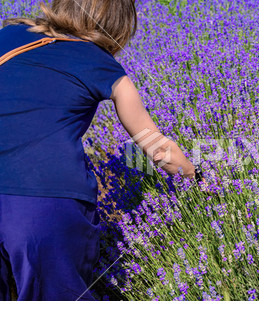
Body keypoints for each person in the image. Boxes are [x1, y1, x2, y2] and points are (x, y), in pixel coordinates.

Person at [0, 0, 199, 301]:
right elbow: (156, 147)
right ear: (119, 25)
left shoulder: (9, 35)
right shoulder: (105, 67)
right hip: (46, 201)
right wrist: (194, 177)